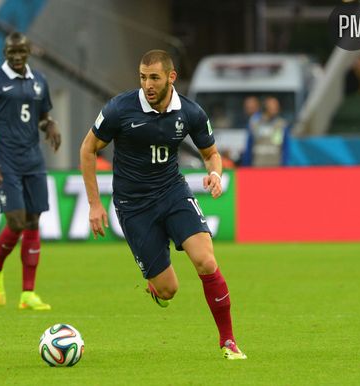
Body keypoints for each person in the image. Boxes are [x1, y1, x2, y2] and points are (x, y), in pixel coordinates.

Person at [80, 49, 246, 360]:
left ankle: (228, 341)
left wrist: (215, 174)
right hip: (134, 205)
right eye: (143, 78)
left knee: (206, 261)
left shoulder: (191, 113)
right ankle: (156, 288)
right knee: (169, 289)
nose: (147, 85)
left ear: (171, 77)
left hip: (172, 192)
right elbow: (88, 149)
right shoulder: (120, 108)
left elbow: (211, 154)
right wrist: (94, 205)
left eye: (154, 78)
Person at [0, 32, 61, 311]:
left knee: (34, 222)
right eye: (12, 52)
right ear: (5, 53)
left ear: (29, 51)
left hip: (33, 161)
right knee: (16, 222)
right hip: (4, 162)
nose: (17, 56)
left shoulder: (39, 81)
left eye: (21, 51)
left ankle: (27, 294)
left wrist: (50, 125)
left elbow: (41, 116)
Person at [242, 96, 289, 167]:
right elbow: (249, 146)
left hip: (276, 166)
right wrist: (246, 165)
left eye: (276, 106)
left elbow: (286, 147)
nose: (275, 108)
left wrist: (284, 165)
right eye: (272, 106)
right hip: (258, 165)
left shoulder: (281, 124)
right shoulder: (254, 123)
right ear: (266, 107)